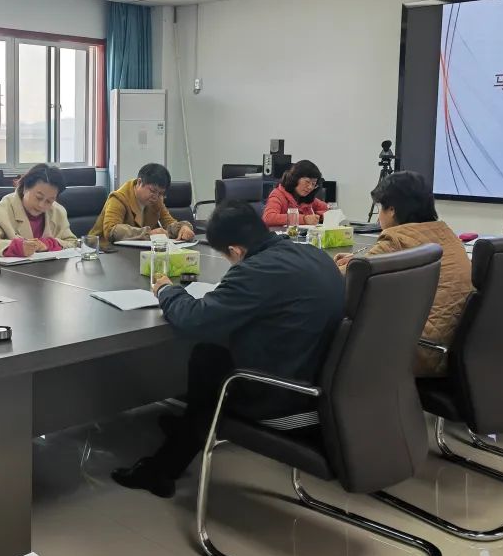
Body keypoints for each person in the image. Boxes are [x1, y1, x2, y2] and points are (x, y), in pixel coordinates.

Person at [111, 200, 344, 498]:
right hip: (323, 390)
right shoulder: (313, 254)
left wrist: (167, 290)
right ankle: (189, 428)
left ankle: (164, 468)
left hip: (288, 402)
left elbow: (192, 319)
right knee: (218, 351)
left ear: (235, 250)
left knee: (208, 358)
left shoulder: (256, 271)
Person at [335, 171, 471, 378]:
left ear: (392, 209)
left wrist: (332, 266)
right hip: (450, 347)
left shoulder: (396, 239)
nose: (379, 216)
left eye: (380, 208)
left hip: (418, 350)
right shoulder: (444, 233)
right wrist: (359, 261)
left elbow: (341, 281)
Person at [0, 163, 78, 257]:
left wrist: (49, 244)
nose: (41, 205)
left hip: (50, 269)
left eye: (49, 201)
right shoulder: (4, 208)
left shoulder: (58, 211)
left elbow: (73, 243)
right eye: (38, 197)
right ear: (25, 188)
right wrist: (17, 247)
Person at [89, 163, 194, 243]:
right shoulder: (118, 198)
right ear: (139, 182)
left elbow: (168, 223)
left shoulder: (157, 200)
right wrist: (149, 233)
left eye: (160, 193)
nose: (156, 196)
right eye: (152, 191)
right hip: (105, 252)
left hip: (136, 253)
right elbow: (111, 230)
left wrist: (182, 228)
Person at [262, 160, 329, 227]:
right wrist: (304, 219)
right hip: (282, 233)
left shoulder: (308, 198)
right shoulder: (278, 195)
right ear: (295, 179)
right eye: (307, 182)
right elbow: (268, 218)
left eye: (313, 184)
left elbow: (328, 210)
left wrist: (318, 217)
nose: (310, 187)